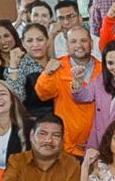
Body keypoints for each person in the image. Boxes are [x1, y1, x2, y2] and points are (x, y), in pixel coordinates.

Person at [35, 25, 101, 156]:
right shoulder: (58, 67)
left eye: (83, 40)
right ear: (67, 45)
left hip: (98, 144)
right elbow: (42, 93)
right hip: (67, 146)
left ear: (91, 43)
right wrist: (47, 73)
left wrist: (95, 139)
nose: (79, 45)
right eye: (73, 41)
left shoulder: (103, 69)